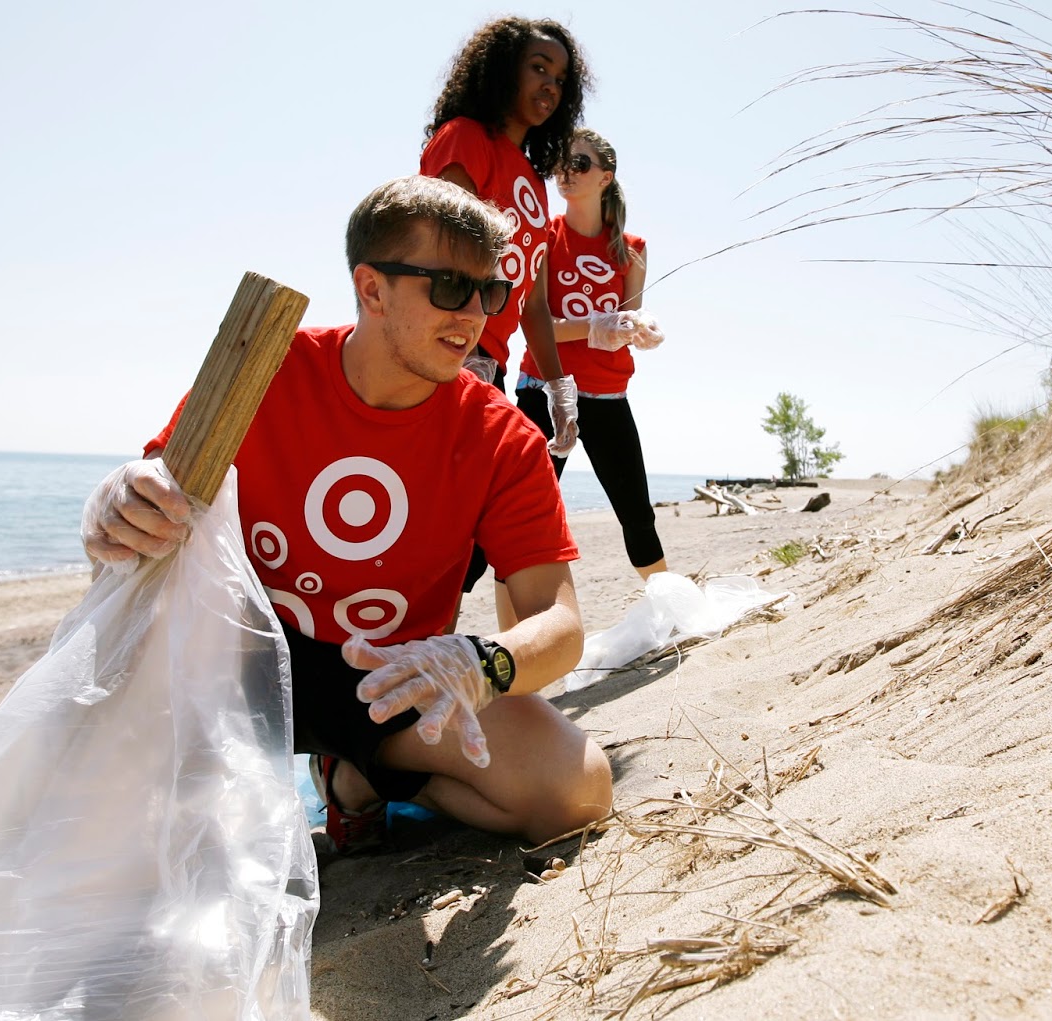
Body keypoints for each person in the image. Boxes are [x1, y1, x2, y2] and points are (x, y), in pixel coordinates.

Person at [82, 176, 613, 851]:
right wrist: (115, 501)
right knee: (121, 834)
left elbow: (559, 624)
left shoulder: (502, 439)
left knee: (578, 790)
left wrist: (482, 662)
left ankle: (357, 776)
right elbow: (154, 512)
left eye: (490, 292)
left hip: (389, 678)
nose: (475, 315)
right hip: (236, 657)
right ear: (371, 288)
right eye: (450, 288)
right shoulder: (267, 368)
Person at [419, 16, 591, 623]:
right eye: (538, 68)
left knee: (467, 539)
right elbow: (440, 257)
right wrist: (456, 367)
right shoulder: (463, 139)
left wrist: (559, 387)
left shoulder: (535, 188)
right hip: (443, 360)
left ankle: (460, 670)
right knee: (439, 534)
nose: (550, 85)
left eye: (561, 77)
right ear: (501, 70)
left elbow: (535, 304)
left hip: (489, 372)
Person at [514, 128, 669, 580]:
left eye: (579, 164)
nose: (566, 173)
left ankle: (670, 612)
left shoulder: (633, 250)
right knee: (521, 517)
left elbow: (627, 322)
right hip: (544, 390)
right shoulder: (542, 237)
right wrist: (598, 325)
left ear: (606, 177)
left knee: (638, 515)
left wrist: (639, 330)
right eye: (561, 163)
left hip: (608, 396)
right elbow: (536, 327)